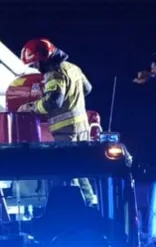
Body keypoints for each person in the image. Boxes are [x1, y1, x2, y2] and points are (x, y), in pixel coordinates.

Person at [16, 37, 96, 205]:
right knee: (80, 170)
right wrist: (72, 98)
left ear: (43, 59)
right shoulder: (72, 68)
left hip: (65, 132)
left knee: (67, 172)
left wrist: (30, 107)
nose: (36, 68)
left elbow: (53, 101)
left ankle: (73, 211)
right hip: (82, 128)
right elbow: (87, 89)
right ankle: (89, 203)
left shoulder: (54, 74)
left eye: (35, 64)